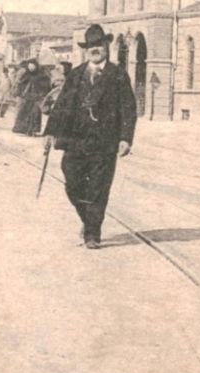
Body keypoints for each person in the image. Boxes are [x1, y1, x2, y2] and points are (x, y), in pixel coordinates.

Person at [45, 24, 136, 250]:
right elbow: (63, 106)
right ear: (86, 50)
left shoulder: (118, 75)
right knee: (72, 184)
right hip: (76, 141)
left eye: (99, 45)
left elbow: (128, 108)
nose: (95, 49)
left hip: (105, 142)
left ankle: (93, 233)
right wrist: (50, 132)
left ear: (107, 46)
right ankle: (89, 219)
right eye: (91, 46)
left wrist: (125, 138)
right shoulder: (76, 75)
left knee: (98, 188)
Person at [12, 58, 51, 135]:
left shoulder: (41, 75)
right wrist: (21, 92)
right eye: (29, 66)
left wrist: (42, 93)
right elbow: (21, 84)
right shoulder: (26, 74)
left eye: (32, 66)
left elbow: (46, 85)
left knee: (35, 114)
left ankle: (33, 130)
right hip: (27, 97)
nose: (31, 68)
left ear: (36, 66)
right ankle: (23, 129)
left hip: (37, 97)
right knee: (25, 112)